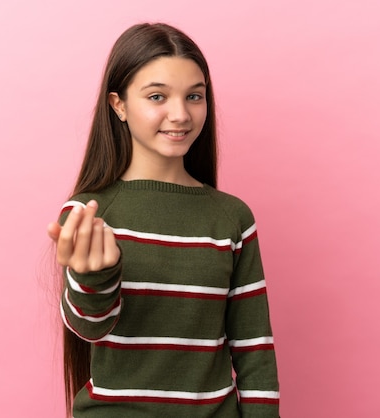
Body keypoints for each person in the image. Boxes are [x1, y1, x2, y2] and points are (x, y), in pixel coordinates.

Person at [47, 22, 280, 418]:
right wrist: (94, 278)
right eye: (158, 96)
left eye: (195, 96)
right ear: (118, 105)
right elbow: (89, 326)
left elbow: (253, 347)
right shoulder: (88, 214)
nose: (181, 114)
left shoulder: (232, 218)